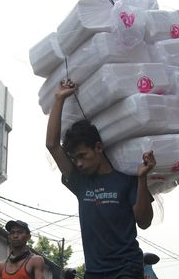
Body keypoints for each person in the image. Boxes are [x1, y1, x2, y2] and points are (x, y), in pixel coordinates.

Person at [46, 79, 156, 278]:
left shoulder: (127, 180)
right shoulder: (80, 182)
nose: (78, 164)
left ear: (98, 147)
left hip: (127, 269)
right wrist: (59, 98)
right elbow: (52, 145)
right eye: (74, 158)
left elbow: (144, 221)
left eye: (82, 156)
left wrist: (142, 178)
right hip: (94, 272)